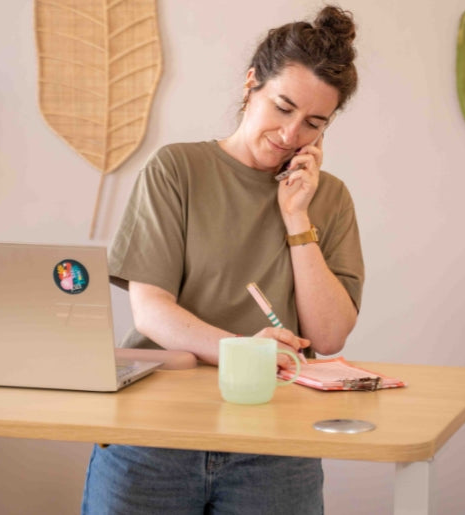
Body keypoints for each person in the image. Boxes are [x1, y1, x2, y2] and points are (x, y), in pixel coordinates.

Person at [82, 5, 364, 514]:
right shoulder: (178, 169)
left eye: (313, 123)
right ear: (251, 82)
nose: (291, 135)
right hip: (155, 435)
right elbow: (151, 312)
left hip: (275, 447)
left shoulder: (330, 198)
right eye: (282, 107)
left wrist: (298, 219)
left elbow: (328, 337)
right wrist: (246, 353)